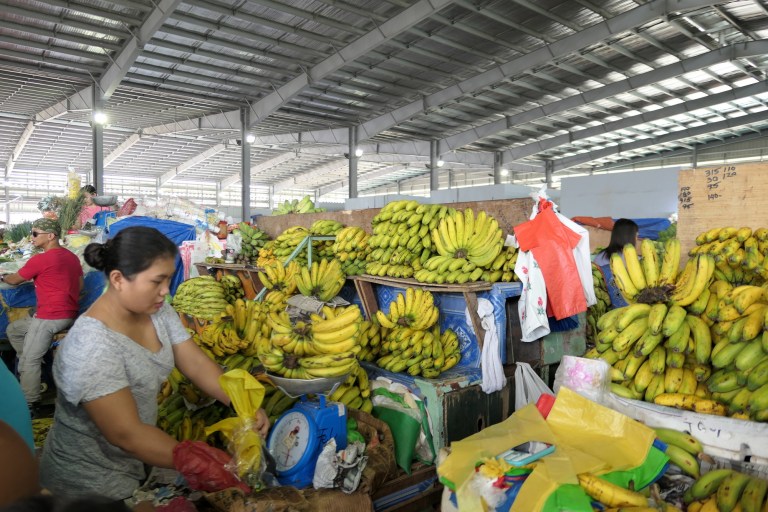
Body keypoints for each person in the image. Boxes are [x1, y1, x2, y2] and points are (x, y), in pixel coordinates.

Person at [40, 226, 270, 501]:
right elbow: (126, 434)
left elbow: (195, 363)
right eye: (156, 282)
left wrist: (241, 402)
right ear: (118, 279)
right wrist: (193, 459)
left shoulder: (157, 311)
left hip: (135, 472)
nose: (165, 291)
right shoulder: (92, 346)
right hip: (85, 489)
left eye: (168, 281)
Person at [4, 218, 83, 413]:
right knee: (14, 330)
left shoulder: (41, 259)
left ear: (50, 236)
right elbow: (80, 285)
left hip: (50, 316)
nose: (31, 237)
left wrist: (3, 276)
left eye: (35, 233)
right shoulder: (71, 257)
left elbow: (14, 280)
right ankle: (34, 368)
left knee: (29, 360)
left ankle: (30, 403)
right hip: (68, 313)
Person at [593, 218, 639, 307]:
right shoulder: (631, 259)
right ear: (629, 236)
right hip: (626, 305)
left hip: (603, 305)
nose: (637, 239)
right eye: (636, 236)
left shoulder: (600, 256)